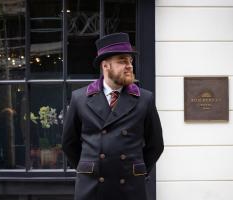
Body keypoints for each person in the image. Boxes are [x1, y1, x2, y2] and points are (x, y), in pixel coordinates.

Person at [62, 32, 164, 200]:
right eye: (122, 61)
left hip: (130, 187)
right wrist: (89, 168)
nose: (130, 66)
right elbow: (69, 144)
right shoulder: (80, 98)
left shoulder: (145, 99)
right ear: (105, 66)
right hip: (92, 187)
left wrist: (136, 169)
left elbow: (156, 145)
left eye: (130, 61)